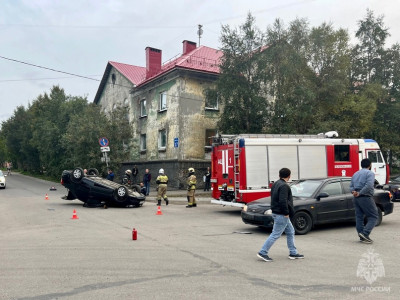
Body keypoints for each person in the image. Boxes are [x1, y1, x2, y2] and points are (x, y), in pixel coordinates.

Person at [257, 168, 304, 262]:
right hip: (281, 214)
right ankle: (263, 252)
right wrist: (286, 212)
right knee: (275, 234)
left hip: (276, 212)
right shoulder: (284, 186)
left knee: (290, 231)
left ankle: (293, 253)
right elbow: (283, 200)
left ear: (279, 175)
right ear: (289, 176)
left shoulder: (276, 184)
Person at [350, 158, 378, 244]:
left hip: (356, 198)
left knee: (359, 217)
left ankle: (361, 236)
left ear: (361, 165)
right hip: (365, 197)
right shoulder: (370, 173)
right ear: (370, 165)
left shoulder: (355, 174)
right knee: (373, 216)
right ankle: (365, 234)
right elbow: (369, 185)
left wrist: (354, 192)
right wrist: (360, 193)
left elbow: (351, 186)